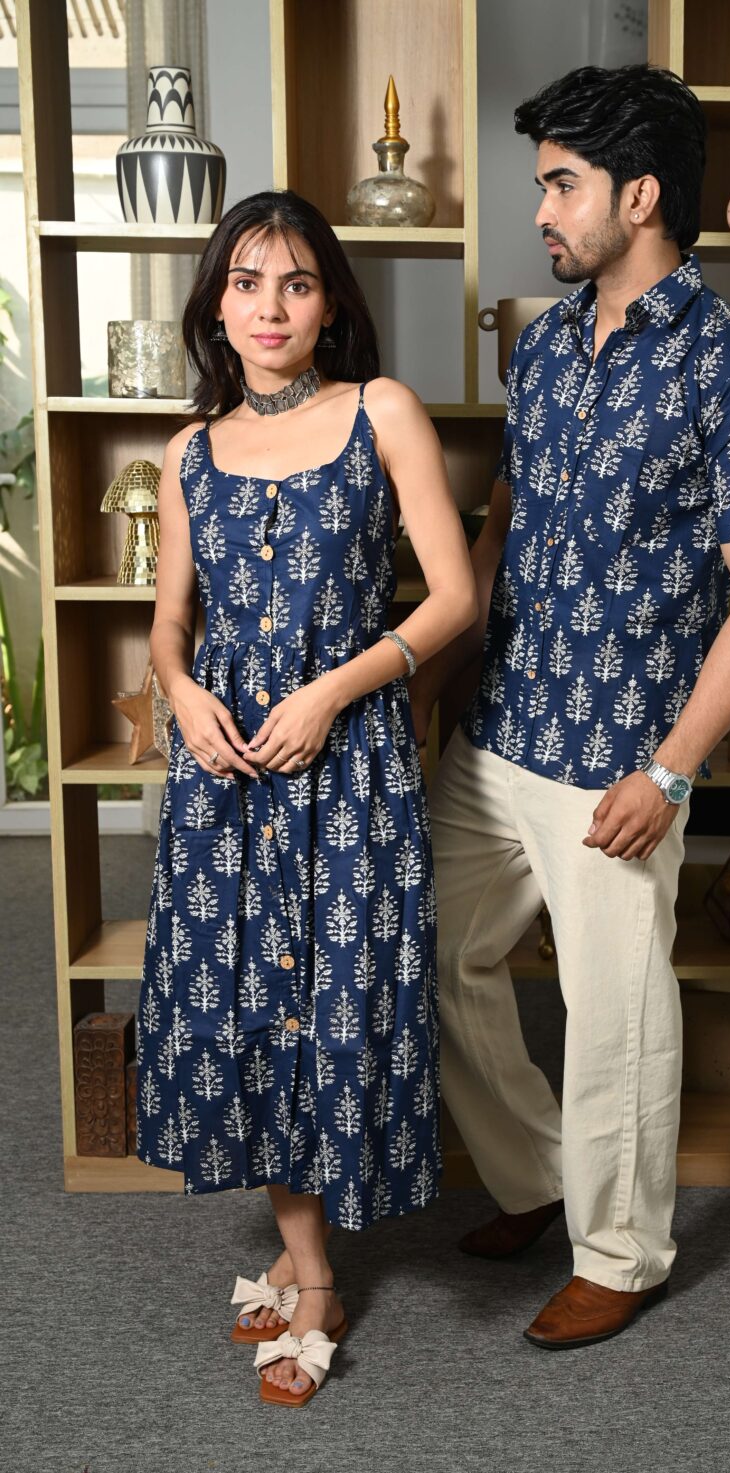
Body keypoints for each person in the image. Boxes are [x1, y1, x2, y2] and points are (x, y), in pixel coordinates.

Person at [411, 64, 730, 1349]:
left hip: (617, 758)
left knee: (615, 1023)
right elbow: (503, 532)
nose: (539, 210)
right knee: (435, 950)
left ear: (638, 195)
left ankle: (622, 1255)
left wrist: (672, 770)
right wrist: (441, 685)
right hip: (500, 728)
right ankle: (536, 1173)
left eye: (560, 184)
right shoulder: (541, 345)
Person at [136, 189, 477, 1404]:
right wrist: (182, 694)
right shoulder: (188, 451)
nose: (269, 307)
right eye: (245, 283)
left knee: (334, 1002)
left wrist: (331, 693)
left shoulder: (380, 411)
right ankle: (308, 1265)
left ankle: (310, 1277)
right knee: (242, 1002)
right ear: (215, 304)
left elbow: (453, 600)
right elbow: (169, 622)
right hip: (228, 769)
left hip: (346, 762)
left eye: (295, 283)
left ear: (329, 303)